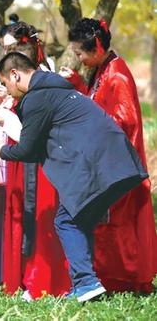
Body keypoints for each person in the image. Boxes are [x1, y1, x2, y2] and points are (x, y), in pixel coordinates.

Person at [0, 52, 149, 302]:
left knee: (66, 220)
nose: (7, 91)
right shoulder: (56, 88)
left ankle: (86, 283)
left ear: (14, 75)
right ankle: (86, 285)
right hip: (116, 160)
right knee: (80, 218)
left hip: (100, 164)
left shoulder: (37, 97)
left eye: (5, 84)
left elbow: (28, 150)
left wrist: (0, 150)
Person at [61, 17, 157, 293]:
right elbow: (98, 103)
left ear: (97, 48)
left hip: (118, 163)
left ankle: (125, 280)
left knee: (119, 222)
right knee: (106, 221)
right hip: (106, 160)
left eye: (80, 53)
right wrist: (78, 83)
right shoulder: (103, 69)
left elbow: (125, 121)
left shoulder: (117, 75)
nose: (79, 59)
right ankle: (109, 278)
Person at [0, 24, 70, 299]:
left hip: (37, 159)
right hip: (21, 156)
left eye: (12, 49)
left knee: (41, 216)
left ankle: (42, 279)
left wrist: (8, 117)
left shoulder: (43, 82)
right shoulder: (25, 81)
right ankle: (23, 276)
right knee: (23, 213)